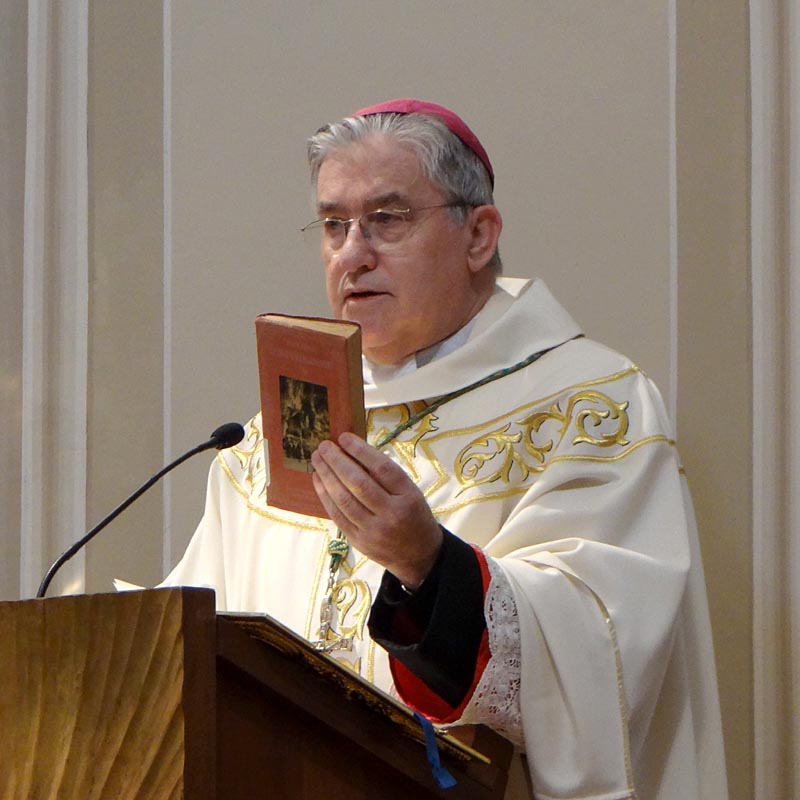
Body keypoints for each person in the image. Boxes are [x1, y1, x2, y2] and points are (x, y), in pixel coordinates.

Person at [162, 99, 728, 799]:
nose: (353, 253)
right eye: (334, 224)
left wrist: (429, 567)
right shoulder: (273, 436)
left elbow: (603, 645)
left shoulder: (590, 406)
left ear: (478, 235)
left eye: (387, 218)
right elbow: (197, 644)